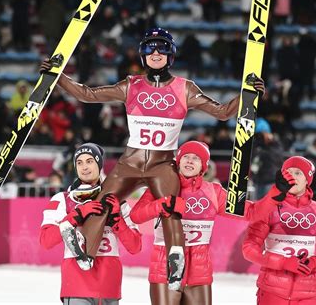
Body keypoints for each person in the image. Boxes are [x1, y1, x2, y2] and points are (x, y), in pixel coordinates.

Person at [40, 27, 266, 290]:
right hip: (130, 163)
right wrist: (58, 77)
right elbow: (87, 95)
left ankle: (176, 259)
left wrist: (248, 95)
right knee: (103, 203)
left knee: (171, 206)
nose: (155, 52)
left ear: (170, 54)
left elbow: (223, 113)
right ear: (142, 54)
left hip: (162, 164)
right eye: (150, 47)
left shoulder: (185, 88)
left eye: (161, 47)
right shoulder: (131, 85)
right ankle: (85, 253)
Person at [130, 141, 277, 304]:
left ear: (203, 166)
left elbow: (252, 212)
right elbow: (136, 215)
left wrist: (277, 192)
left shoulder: (213, 192)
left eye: (196, 158)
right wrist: (162, 204)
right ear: (178, 162)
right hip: (165, 267)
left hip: (199, 271)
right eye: (186, 156)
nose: (190, 161)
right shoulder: (161, 187)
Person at [40, 143, 142, 304]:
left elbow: (135, 247)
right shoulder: (62, 199)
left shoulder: (117, 202)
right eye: (79, 162)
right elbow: (46, 240)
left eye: (89, 161)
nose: (84, 167)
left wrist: (117, 220)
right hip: (77, 287)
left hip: (109, 288)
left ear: (99, 164)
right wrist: (76, 215)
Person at [243, 156, 316, 305]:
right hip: (272, 292)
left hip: (307, 294)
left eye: (298, 173)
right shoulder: (268, 207)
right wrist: (282, 263)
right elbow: (249, 249)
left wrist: (314, 262)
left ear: (308, 180)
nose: (292, 176)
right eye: (288, 172)